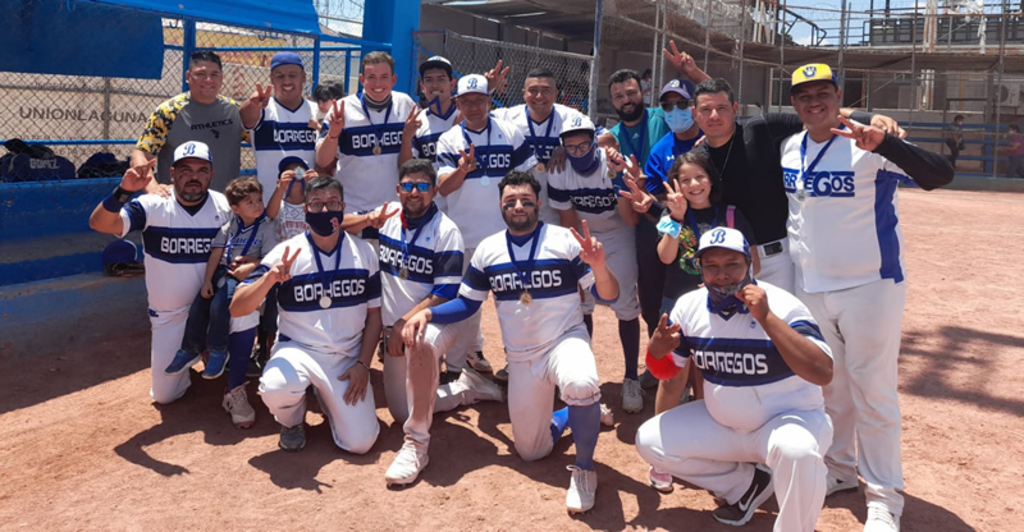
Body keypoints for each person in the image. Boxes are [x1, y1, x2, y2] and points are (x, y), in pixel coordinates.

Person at [781, 63, 954, 532]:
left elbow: (940, 174)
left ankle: (883, 496)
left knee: (873, 394)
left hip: (870, 285)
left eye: (823, 92)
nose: (814, 101)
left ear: (839, 96)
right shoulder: (789, 147)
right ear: (794, 103)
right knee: (829, 388)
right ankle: (839, 468)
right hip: (811, 285)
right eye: (804, 95)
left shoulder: (869, 144)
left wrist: (886, 142)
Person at [402, 171, 618, 513]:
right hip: (521, 356)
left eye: (526, 201)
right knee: (531, 451)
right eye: (510, 201)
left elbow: (610, 295)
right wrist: (429, 313)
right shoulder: (488, 250)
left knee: (580, 383)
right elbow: (467, 304)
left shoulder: (565, 240)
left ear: (539, 204)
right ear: (501, 206)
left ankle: (584, 469)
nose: (518, 206)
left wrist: (600, 267)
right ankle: (574, 412)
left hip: (564, 340)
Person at [636, 227, 835, 531]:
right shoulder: (689, 306)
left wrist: (767, 318)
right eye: (711, 266)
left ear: (749, 265)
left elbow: (822, 372)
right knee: (650, 441)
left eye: (732, 264)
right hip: (724, 425)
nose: (722, 275)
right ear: (700, 269)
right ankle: (744, 486)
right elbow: (667, 373)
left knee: (797, 452)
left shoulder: (783, 305)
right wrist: (655, 353)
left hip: (788, 421)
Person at [342, 159, 503, 485]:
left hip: (434, 322)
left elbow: (445, 293)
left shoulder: (446, 231)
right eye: (408, 186)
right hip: (396, 329)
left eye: (423, 186)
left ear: (433, 191)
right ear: (398, 189)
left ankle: (419, 441)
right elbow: (340, 225)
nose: (414, 192)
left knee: (421, 343)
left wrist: (405, 321)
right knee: (401, 411)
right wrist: (368, 219)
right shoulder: (388, 215)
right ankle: (464, 387)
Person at [688, 77, 903, 294]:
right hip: (728, 263)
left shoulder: (761, 129)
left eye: (722, 108)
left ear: (735, 109)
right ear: (695, 113)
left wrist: (869, 117)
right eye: (706, 110)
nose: (714, 116)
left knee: (784, 316)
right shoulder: (697, 160)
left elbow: (818, 115)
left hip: (778, 261)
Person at [231, 176, 382, 454]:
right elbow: (237, 307)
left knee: (361, 444)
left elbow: (374, 315)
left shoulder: (365, 253)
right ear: (305, 210)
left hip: (346, 356)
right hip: (298, 349)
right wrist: (269, 279)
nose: (324, 210)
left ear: (343, 207)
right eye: (316, 204)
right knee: (275, 387)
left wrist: (363, 364)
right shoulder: (286, 253)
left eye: (332, 203)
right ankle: (292, 420)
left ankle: (327, 397)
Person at [89, 141, 232, 404]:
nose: (194, 177)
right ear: (172, 173)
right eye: (185, 170)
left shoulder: (223, 205)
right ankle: (194, 354)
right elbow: (100, 224)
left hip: (212, 311)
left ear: (211, 175)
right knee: (165, 396)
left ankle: (221, 355)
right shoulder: (153, 204)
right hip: (170, 316)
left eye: (201, 170)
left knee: (245, 311)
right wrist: (124, 190)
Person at [604, 43, 711, 369]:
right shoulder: (615, 136)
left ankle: (698, 366)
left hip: (697, 225)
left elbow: (715, 102)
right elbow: (588, 141)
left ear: (643, 94)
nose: (626, 100)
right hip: (653, 221)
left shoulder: (663, 120)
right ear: (612, 101)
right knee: (651, 299)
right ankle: (661, 364)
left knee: (694, 291)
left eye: (631, 92)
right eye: (619, 96)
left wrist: (692, 73)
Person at [433, 74, 536, 377]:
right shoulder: (449, 139)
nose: (473, 107)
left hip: (507, 236)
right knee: (466, 304)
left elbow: (526, 181)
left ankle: (518, 362)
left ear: (489, 101)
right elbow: (444, 188)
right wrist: (462, 170)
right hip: (464, 235)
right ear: (458, 104)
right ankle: (456, 368)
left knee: (516, 303)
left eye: (479, 100)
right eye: (466, 102)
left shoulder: (510, 132)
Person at [546, 116, 644, 414]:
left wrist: (619, 177)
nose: (578, 152)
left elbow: (630, 219)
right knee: (583, 304)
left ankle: (631, 377)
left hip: (618, 233)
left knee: (625, 304)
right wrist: (577, 256)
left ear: (595, 142)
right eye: (571, 147)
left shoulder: (612, 164)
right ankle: (584, 375)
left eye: (584, 145)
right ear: (563, 147)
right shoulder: (559, 169)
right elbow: (567, 222)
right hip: (584, 234)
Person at [159, 176, 273, 426]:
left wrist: (252, 265)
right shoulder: (227, 227)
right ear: (235, 208)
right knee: (201, 305)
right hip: (225, 275)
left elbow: (270, 258)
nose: (257, 205)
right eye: (250, 202)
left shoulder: (266, 227)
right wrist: (206, 282)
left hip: (251, 280)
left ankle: (222, 359)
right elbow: (216, 255)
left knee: (228, 307)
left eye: (259, 200)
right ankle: (190, 349)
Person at [315, 51, 418, 236]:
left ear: (394, 79)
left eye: (384, 77)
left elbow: (408, 167)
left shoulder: (405, 104)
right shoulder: (343, 109)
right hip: (352, 210)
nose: (377, 84)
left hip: (392, 210)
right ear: (362, 79)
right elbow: (322, 161)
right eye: (371, 77)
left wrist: (407, 138)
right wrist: (334, 134)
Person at [134, 51, 247, 194]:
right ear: (188, 77)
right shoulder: (169, 112)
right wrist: (152, 188)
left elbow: (259, 139)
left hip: (225, 202)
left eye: (214, 75)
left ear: (222, 78)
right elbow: (140, 154)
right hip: (179, 202)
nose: (208, 80)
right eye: (201, 74)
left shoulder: (234, 110)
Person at [240, 51, 319, 207]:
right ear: (271, 78)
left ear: (303, 77)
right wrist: (252, 103)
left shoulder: (317, 111)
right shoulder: (263, 109)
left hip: (310, 205)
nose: (286, 81)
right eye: (280, 76)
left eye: (293, 75)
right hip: (270, 204)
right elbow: (246, 118)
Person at [643, 79, 702, 195]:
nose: (675, 110)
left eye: (682, 104)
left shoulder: (711, 141)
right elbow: (654, 197)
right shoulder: (658, 152)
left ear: (695, 106)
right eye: (667, 105)